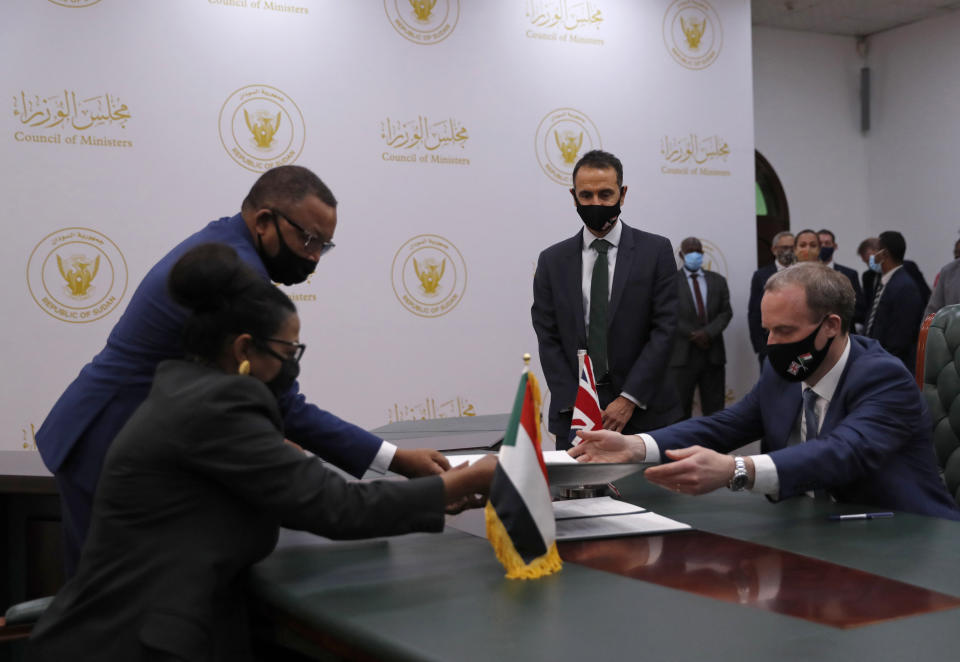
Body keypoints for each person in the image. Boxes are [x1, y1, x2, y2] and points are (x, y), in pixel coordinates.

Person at [27, 244, 496, 662]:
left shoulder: (186, 389)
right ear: (243, 348)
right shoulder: (217, 409)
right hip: (138, 644)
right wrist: (463, 481)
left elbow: (286, 488)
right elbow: (336, 507)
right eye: (287, 350)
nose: (292, 365)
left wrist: (438, 491)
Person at [36, 165, 448, 577]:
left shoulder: (226, 240)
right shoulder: (236, 278)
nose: (312, 258)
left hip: (113, 434)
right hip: (105, 441)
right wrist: (397, 460)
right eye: (307, 239)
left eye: (323, 246)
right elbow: (284, 404)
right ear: (265, 222)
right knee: (110, 602)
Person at [571, 262, 960, 521]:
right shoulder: (785, 373)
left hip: (908, 541)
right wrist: (636, 445)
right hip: (816, 534)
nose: (772, 344)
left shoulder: (883, 378)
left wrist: (736, 470)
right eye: (767, 330)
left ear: (830, 326)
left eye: (786, 332)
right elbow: (725, 426)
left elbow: (843, 452)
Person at [532, 149, 680, 450]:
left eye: (605, 194)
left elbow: (665, 330)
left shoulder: (656, 252)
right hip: (575, 417)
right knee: (576, 499)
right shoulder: (552, 261)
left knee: (648, 498)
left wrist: (629, 399)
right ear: (573, 196)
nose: (595, 203)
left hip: (644, 416)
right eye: (586, 195)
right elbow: (548, 338)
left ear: (622, 194)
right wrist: (579, 403)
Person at [670, 237, 732, 419]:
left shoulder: (718, 281)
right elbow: (667, 313)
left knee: (715, 411)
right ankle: (679, 448)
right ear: (682, 254)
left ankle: (713, 447)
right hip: (682, 357)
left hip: (713, 355)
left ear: (703, 254)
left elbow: (726, 312)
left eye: (697, 251)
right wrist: (693, 334)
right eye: (689, 251)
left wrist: (707, 333)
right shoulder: (670, 282)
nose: (694, 254)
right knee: (679, 412)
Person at [864, 231, 926, 373]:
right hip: (876, 359)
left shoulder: (905, 287)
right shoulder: (886, 282)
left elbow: (899, 338)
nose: (874, 256)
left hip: (890, 366)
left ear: (884, 254)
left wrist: (879, 363)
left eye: (876, 250)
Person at [747, 231, 794, 364]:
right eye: (785, 248)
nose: (789, 251)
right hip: (771, 345)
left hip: (799, 344)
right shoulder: (761, 275)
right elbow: (754, 313)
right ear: (774, 250)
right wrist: (761, 348)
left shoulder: (804, 273)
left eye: (792, 247)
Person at [817, 228, 865, 326]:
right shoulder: (806, 273)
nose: (823, 246)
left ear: (835, 246)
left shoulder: (849, 274)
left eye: (827, 243)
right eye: (820, 243)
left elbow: (860, 309)